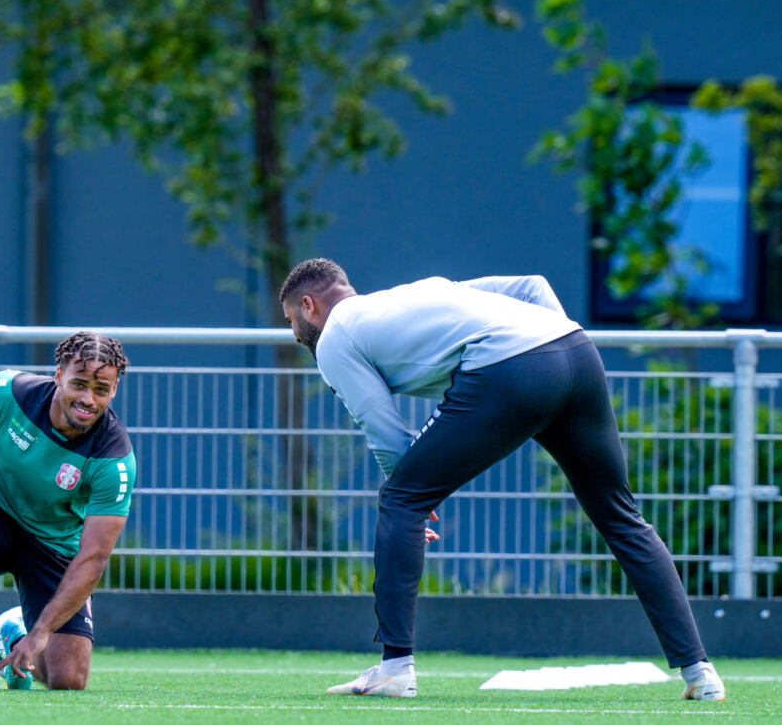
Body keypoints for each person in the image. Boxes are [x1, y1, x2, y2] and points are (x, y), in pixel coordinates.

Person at [278, 258, 725, 702]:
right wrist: (550, 352)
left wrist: (413, 502)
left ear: (308, 306)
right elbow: (533, 285)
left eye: (291, 321)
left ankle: (394, 669)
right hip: (575, 351)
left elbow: (384, 430)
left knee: (399, 500)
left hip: (513, 370)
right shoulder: (423, 289)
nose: (295, 334)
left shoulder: (335, 338)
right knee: (622, 517)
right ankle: (700, 672)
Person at [0, 332, 136, 691]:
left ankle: (9, 637)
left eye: (101, 389)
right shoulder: (12, 392)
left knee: (68, 679)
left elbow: (93, 558)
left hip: (54, 548)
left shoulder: (114, 459)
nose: (88, 399)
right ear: (59, 375)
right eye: (79, 384)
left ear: (114, 390)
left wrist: (39, 633)